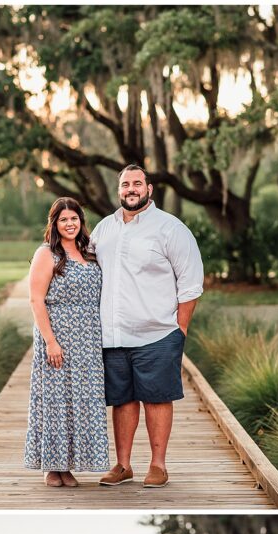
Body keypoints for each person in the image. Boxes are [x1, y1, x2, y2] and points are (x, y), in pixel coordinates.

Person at [91, 166, 204, 488]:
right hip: (113, 334)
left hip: (157, 332)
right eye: (125, 184)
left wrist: (180, 328)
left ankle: (158, 465)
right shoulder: (103, 229)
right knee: (122, 400)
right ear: (119, 190)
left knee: (156, 398)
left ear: (149, 189)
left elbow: (191, 283)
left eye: (137, 183)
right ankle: (123, 465)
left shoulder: (170, 228)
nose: (131, 189)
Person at [24, 198, 109, 488]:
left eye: (74, 218)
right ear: (55, 224)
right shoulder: (46, 253)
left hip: (88, 340)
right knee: (56, 401)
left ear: (81, 221)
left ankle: (69, 465)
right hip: (57, 335)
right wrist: (50, 342)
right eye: (63, 219)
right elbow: (36, 300)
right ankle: (53, 468)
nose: (70, 224)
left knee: (81, 402)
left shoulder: (90, 251)